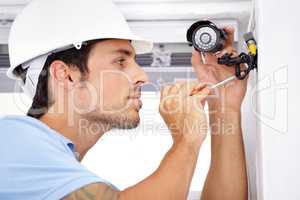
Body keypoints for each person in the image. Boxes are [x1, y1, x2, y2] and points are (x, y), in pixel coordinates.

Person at [0, 0, 248, 199]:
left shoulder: (48, 169)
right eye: (120, 61)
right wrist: (186, 140)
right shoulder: (10, 140)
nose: (141, 76)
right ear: (66, 75)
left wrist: (224, 106)